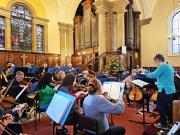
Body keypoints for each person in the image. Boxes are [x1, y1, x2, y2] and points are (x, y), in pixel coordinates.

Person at [140, 54, 176, 130]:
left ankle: (164, 124)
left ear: (158, 60)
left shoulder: (162, 66)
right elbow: (161, 76)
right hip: (170, 90)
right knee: (166, 107)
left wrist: (144, 72)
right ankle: (170, 122)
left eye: (155, 62)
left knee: (160, 106)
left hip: (164, 90)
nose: (155, 64)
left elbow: (153, 75)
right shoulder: (168, 66)